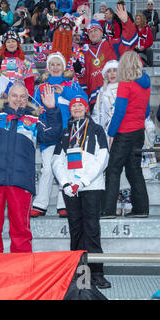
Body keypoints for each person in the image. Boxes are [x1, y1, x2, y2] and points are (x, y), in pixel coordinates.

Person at [0, 74, 63, 253]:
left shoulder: (33, 120)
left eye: (23, 97)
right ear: (7, 97)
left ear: (27, 99)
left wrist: (52, 108)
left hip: (21, 181)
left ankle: (21, 273)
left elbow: (53, 134)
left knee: (21, 232)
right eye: (15, 96)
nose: (18, 100)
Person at [51, 96, 111, 289]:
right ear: (70, 110)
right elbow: (56, 160)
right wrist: (66, 182)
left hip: (90, 186)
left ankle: (97, 273)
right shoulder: (65, 132)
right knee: (75, 230)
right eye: (74, 106)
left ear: (86, 109)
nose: (77, 108)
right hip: (70, 189)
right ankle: (78, 273)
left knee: (92, 230)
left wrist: (83, 181)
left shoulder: (96, 129)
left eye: (80, 105)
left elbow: (103, 157)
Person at [30, 52, 87, 218]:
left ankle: (65, 204)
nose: (55, 68)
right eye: (52, 64)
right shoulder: (40, 88)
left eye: (58, 64)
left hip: (70, 135)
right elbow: (34, 112)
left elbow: (82, 102)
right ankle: (40, 204)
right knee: (47, 169)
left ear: (64, 67)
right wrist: (38, 111)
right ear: (48, 67)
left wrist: (65, 92)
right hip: (49, 136)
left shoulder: (72, 84)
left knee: (67, 170)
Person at [102, 50, 151, 219]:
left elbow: (119, 112)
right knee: (134, 170)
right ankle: (141, 209)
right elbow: (146, 111)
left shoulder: (125, 85)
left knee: (113, 170)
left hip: (124, 132)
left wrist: (111, 133)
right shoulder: (146, 83)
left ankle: (107, 210)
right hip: (139, 132)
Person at [76, 4, 137, 113]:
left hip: (114, 93)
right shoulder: (83, 52)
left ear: (101, 31)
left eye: (95, 30)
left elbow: (129, 42)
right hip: (94, 98)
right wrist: (79, 71)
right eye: (90, 31)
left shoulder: (112, 44)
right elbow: (83, 78)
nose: (93, 33)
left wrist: (126, 21)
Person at [0, 31, 39, 96]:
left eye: (13, 41)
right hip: (1, 97)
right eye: (8, 42)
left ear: (17, 43)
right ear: (4, 45)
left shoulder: (27, 61)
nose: (11, 44)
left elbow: (29, 81)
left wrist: (29, 97)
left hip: (19, 97)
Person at [34, 15, 85, 80]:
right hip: (51, 85)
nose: (64, 30)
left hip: (70, 85)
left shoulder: (77, 49)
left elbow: (82, 74)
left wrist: (79, 68)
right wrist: (38, 43)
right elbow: (38, 58)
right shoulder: (48, 47)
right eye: (61, 27)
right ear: (56, 31)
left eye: (67, 28)